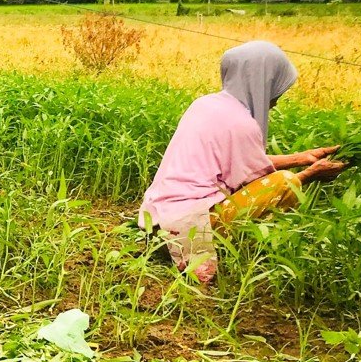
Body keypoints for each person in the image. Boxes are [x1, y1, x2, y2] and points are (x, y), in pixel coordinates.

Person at [139, 41, 347, 284]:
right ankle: (219, 249)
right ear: (261, 82)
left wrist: (301, 158)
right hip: (188, 226)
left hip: (156, 220)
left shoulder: (205, 104)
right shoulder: (241, 124)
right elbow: (257, 180)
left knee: (279, 180)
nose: (278, 97)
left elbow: (244, 161)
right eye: (276, 86)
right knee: (285, 183)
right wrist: (308, 174)